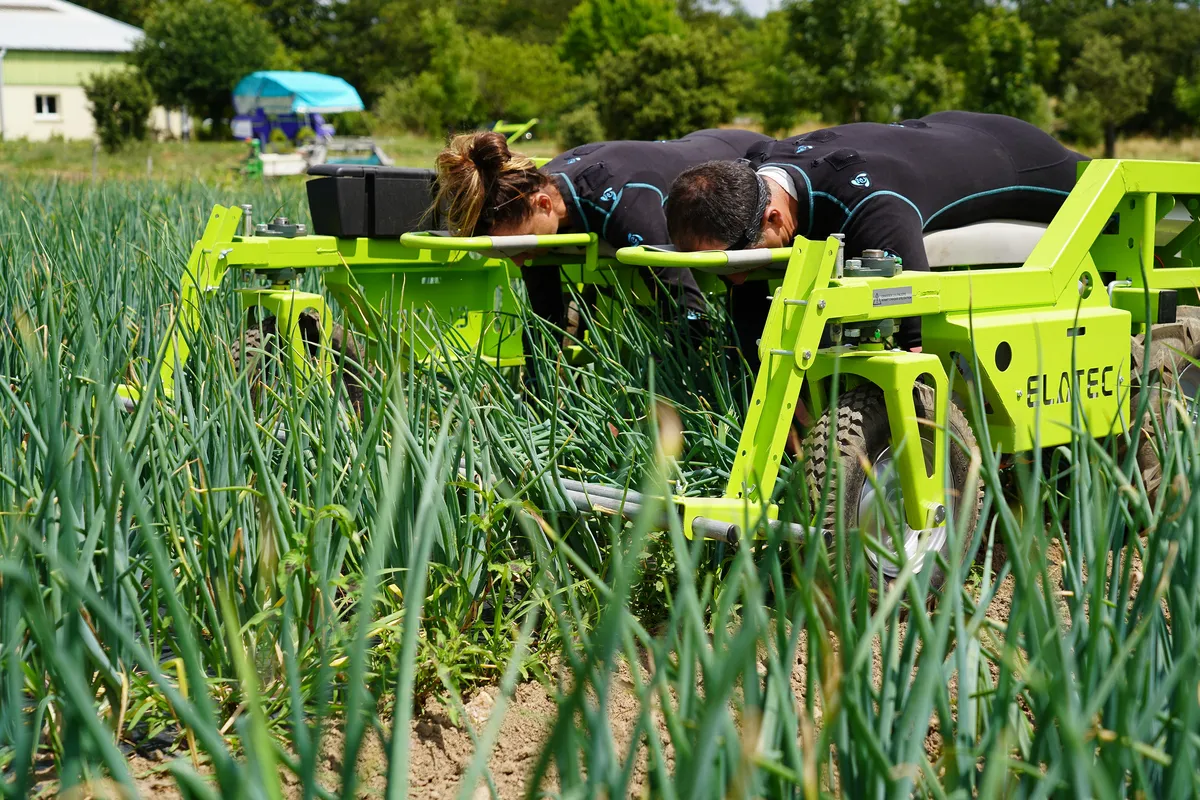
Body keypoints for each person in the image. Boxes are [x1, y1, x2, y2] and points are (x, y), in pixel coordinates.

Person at [664, 111, 1090, 355]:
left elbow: (916, 352)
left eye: (736, 260)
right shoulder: (751, 182)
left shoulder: (871, 205)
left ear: (774, 217)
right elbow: (750, 307)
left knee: (1113, 213)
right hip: (936, 131)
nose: (736, 278)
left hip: (1020, 155)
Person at [433, 128, 771, 333]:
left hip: (748, 158)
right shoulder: (534, 205)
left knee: (742, 291)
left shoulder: (623, 204)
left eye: (518, 249)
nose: (519, 261)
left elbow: (688, 312)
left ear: (543, 203)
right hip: (696, 146)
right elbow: (545, 321)